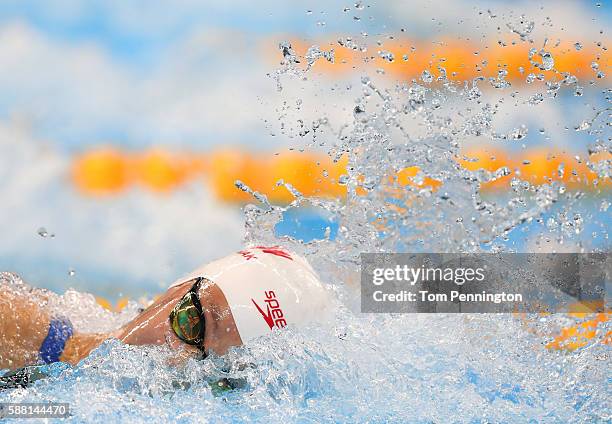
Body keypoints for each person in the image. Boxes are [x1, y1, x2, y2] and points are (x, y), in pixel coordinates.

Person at [0, 246, 334, 388]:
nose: (177, 361)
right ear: (175, 290)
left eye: (222, 375)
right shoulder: (15, 328)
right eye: (189, 322)